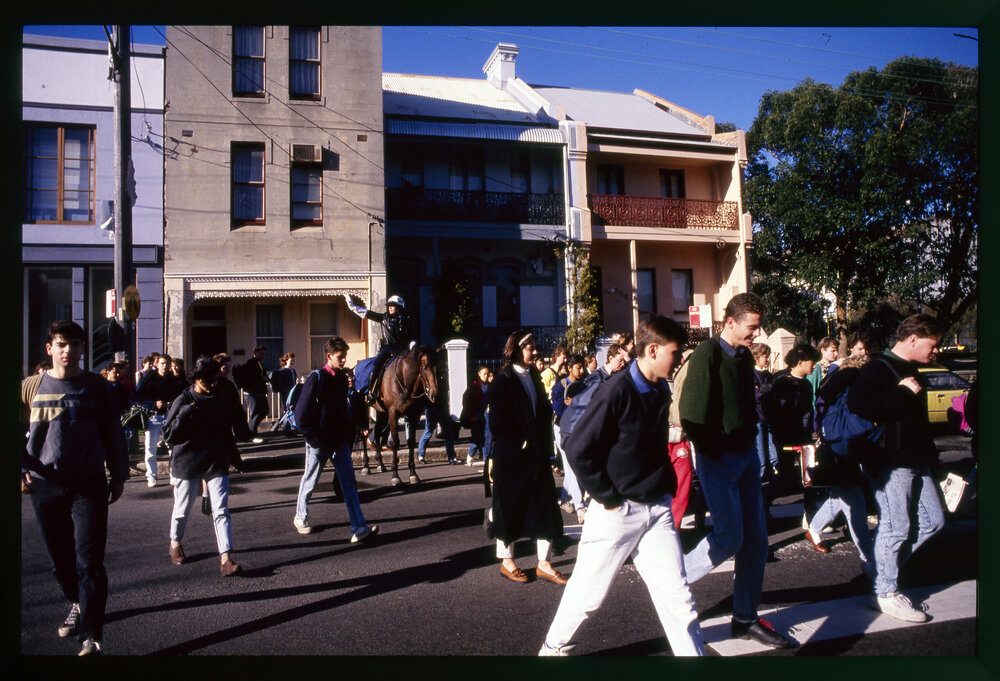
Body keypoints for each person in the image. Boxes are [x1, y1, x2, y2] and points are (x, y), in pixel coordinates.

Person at [539, 316, 705, 657]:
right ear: (654, 350)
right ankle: (552, 649)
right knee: (589, 594)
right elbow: (577, 448)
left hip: (656, 509)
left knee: (678, 597)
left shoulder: (660, 387)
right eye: (676, 353)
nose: (680, 359)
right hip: (619, 510)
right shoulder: (615, 390)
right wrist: (608, 497)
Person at [679, 292, 797, 648]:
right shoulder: (707, 354)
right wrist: (715, 450)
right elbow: (691, 414)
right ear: (730, 322)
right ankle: (672, 579)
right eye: (752, 327)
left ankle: (744, 619)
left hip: (747, 458)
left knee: (756, 544)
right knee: (729, 538)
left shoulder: (744, 357)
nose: (756, 335)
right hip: (720, 461)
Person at [21, 320, 129, 656]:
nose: (69, 351)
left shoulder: (97, 387)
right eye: (62, 344)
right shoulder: (30, 386)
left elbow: (113, 432)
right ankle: (78, 602)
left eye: (76, 344)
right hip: (44, 483)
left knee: (90, 562)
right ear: (49, 348)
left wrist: (119, 473)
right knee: (60, 562)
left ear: (83, 349)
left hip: (89, 482)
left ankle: (91, 635)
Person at [848, 313, 946, 622]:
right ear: (913, 338)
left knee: (933, 520)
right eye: (934, 344)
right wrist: (902, 392)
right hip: (890, 461)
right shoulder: (878, 367)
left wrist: (933, 461)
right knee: (896, 526)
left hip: (916, 460)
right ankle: (886, 591)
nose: (937, 350)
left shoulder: (913, 367)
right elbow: (859, 405)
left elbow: (917, 423)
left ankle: (881, 568)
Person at [487, 330, 566, 585]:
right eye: (530, 348)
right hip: (512, 459)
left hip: (538, 456)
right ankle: (507, 562)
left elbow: (541, 414)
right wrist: (520, 443)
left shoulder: (533, 376)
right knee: (508, 509)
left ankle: (544, 563)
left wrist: (546, 448)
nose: (535, 351)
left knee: (545, 508)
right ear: (516, 350)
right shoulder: (503, 381)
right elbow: (498, 423)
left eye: (534, 347)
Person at [162, 356, 245, 576]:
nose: (212, 384)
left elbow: (227, 429)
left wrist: (235, 458)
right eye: (208, 380)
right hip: (187, 461)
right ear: (196, 379)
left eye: (215, 379)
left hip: (215, 460)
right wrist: (185, 414)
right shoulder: (184, 399)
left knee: (221, 511)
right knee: (182, 509)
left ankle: (226, 558)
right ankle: (175, 542)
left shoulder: (219, 397)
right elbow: (168, 435)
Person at [291, 336, 379, 544]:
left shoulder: (341, 379)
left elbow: (342, 411)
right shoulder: (316, 378)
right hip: (319, 442)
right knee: (310, 480)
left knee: (349, 483)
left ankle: (358, 527)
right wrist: (313, 439)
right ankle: (300, 516)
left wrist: (348, 437)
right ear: (329, 356)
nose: (343, 360)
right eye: (340, 357)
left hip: (339, 441)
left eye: (345, 356)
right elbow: (300, 414)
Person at [807, 353, 876, 572]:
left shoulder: (836, 383)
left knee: (840, 497)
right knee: (856, 505)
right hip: (846, 448)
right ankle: (869, 557)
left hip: (836, 445)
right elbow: (860, 422)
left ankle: (814, 529)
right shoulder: (855, 385)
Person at [346, 294, 414, 403]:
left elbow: (411, 335)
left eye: (393, 305)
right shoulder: (383, 318)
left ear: (399, 307)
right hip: (388, 349)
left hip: (403, 350)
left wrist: (412, 343)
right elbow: (366, 313)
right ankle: (371, 393)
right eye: (389, 305)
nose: (390, 307)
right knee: (376, 365)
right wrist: (353, 306)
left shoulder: (407, 320)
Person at [135, 352, 185, 487]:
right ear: (157, 364)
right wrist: (153, 403)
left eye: (168, 363)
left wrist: (172, 404)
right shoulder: (149, 378)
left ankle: (173, 474)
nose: (165, 366)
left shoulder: (174, 380)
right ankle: (151, 476)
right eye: (162, 363)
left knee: (172, 447)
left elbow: (181, 396)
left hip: (170, 416)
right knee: (150, 448)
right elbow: (138, 398)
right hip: (153, 416)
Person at [551, 354, 587, 522]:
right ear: (570, 368)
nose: (582, 370)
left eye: (583, 367)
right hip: (563, 430)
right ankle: (580, 506)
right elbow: (559, 410)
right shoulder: (560, 386)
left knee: (575, 464)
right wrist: (574, 405)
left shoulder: (585, 384)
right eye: (578, 367)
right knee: (570, 466)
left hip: (580, 429)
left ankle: (565, 497)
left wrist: (576, 403)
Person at [751, 343, 779, 485]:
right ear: (756, 357)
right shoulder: (752, 374)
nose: (767, 359)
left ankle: (772, 482)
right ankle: (760, 485)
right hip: (758, 419)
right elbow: (755, 395)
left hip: (769, 419)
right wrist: (767, 389)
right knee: (761, 457)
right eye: (765, 356)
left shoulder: (767, 375)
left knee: (774, 455)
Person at [235, 346, 270, 436]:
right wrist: (262, 378)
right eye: (261, 353)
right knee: (255, 413)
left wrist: (266, 378)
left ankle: (251, 430)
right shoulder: (251, 363)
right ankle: (251, 433)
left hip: (259, 392)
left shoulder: (259, 363)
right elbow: (251, 377)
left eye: (264, 354)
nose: (263, 356)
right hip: (252, 392)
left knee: (264, 410)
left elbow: (262, 374)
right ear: (255, 353)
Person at [461, 366, 491, 467]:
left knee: (486, 437)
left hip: (487, 416)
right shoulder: (474, 386)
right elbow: (466, 401)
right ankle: (470, 455)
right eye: (484, 374)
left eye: (487, 374)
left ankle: (485, 460)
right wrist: (471, 415)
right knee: (477, 437)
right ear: (479, 374)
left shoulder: (490, 386)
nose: (486, 376)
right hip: (476, 415)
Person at [806, 337, 838, 405]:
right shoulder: (816, 367)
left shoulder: (836, 367)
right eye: (833, 351)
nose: (836, 354)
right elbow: (812, 392)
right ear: (823, 350)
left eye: (837, 350)